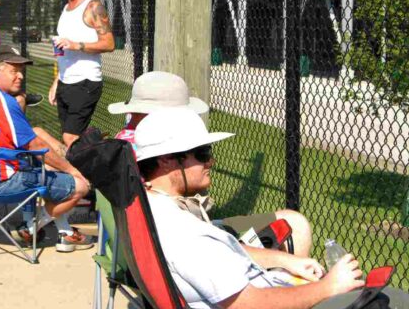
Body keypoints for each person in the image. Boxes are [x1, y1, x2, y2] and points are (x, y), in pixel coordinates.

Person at [134, 108, 409, 309]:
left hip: (257, 291)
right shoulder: (186, 234)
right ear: (167, 160)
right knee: (397, 303)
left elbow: (221, 262)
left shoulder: (151, 209)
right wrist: (328, 287)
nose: (211, 160)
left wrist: (286, 261)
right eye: (202, 152)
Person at [109, 71, 313, 256]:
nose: (210, 161)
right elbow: (182, 235)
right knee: (295, 225)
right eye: (201, 153)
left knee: (291, 221)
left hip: (134, 248)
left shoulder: (120, 145)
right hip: (187, 243)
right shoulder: (151, 155)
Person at [0, 44, 94, 252]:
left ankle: (63, 232)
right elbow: (34, 145)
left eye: (21, 71)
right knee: (80, 186)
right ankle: (31, 226)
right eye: (13, 70)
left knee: (49, 169)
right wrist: (72, 170)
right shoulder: (3, 102)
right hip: (2, 183)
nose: (20, 76)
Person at [49, 0, 115, 148]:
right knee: (71, 137)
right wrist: (57, 81)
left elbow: (109, 43)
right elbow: (62, 50)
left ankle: (82, 175)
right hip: (66, 82)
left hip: (86, 81)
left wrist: (77, 45)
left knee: (70, 138)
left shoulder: (92, 7)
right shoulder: (65, 9)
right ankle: (96, 159)